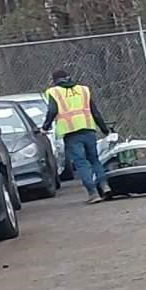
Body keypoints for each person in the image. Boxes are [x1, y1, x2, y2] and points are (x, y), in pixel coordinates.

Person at [45, 68, 108, 202]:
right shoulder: (83, 90)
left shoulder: (54, 92)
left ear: (54, 81)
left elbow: (52, 110)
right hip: (89, 130)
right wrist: (105, 129)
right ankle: (104, 185)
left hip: (71, 133)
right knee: (94, 160)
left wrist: (45, 127)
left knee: (81, 163)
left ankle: (93, 193)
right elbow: (95, 112)